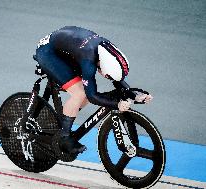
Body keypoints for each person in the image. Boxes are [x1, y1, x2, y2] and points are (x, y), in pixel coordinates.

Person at [35, 26, 153, 154]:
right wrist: (117, 104)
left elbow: (116, 78)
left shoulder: (108, 51)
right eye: (107, 75)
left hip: (67, 49)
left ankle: (66, 117)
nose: (105, 76)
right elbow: (92, 96)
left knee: (83, 94)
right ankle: (64, 138)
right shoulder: (88, 60)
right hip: (48, 52)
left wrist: (134, 95)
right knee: (80, 94)